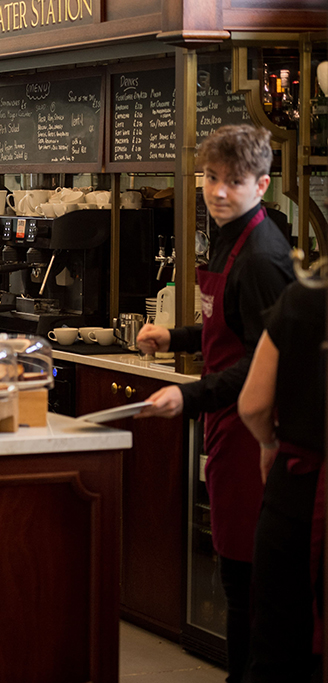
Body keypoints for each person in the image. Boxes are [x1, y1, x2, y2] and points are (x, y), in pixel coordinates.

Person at [134, 124, 295, 683]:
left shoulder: (262, 257)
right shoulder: (229, 236)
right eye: (210, 178)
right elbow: (226, 328)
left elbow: (264, 363)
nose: (219, 191)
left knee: (249, 580)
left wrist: (190, 393)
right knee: (235, 570)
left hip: (257, 432)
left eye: (234, 181)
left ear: (263, 185)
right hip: (227, 421)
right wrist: (175, 338)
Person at [238, 281, 325, 682]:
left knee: (277, 651)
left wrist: (270, 442)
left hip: (296, 489)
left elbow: (253, 404)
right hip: (308, 488)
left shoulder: (303, 296)